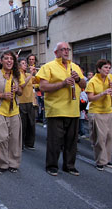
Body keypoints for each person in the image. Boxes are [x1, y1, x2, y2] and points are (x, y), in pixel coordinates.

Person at [36, 42, 86, 177]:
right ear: (56, 52)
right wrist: (63, 83)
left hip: (73, 109)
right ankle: (52, 165)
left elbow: (84, 84)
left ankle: (69, 165)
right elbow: (43, 87)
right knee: (55, 141)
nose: (66, 51)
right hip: (56, 109)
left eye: (67, 49)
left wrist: (78, 78)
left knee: (71, 141)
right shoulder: (48, 67)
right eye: (62, 49)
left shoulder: (74, 66)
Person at [0, 50, 24, 174]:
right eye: (6, 58)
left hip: (14, 110)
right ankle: (3, 163)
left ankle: (13, 163)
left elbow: (20, 92)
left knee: (15, 138)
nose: (9, 61)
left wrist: (17, 89)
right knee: (1, 137)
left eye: (11, 59)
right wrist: (2, 95)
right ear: (1, 61)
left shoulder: (16, 75)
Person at [85, 59, 112, 171]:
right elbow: (90, 98)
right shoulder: (92, 81)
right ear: (99, 69)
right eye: (105, 67)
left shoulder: (110, 78)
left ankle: (107, 159)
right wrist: (103, 93)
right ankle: (100, 160)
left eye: (109, 68)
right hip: (97, 112)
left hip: (108, 111)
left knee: (110, 137)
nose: (107, 70)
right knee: (100, 138)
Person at [18, 57, 37, 150]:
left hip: (30, 102)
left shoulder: (28, 74)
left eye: (25, 63)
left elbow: (37, 81)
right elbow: (22, 84)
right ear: (18, 65)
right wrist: (31, 74)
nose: (25, 65)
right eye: (23, 63)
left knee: (31, 123)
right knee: (23, 124)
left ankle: (29, 143)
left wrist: (35, 72)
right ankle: (20, 144)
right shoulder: (18, 74)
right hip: (21, 102)